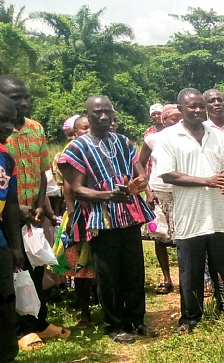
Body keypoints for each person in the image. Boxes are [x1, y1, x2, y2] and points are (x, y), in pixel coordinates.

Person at [58, 95, 156, 343]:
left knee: (134, 270)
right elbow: (77, 189)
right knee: (108, 273)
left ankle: (137, 320)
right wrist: (107, 195)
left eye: (107, 112)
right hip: (101, 219)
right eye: (97, 112)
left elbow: (140, 174)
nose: (103, 116)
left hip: (129, 215)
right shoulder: (77, 148)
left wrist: (139, 183)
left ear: (113, 114)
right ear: (88, 115)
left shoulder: (123, 142)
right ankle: (114, 325)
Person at [157, 89, 224, 333]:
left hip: (217, 213)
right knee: (190, 270)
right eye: (192, 106)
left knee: (221, 267)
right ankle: (190, 319)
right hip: (189, 216)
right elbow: (168, 174)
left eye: (201, 106)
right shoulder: (169, 136)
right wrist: (207, 181)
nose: (198, 110)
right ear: (180, 108)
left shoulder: (215, 134)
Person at [0, 75, 69, 346]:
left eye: (26, 97)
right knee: (13, 271)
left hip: (33, 215)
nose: (24, 102)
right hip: (10, 214)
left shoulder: (35, 129)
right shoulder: (4, 136)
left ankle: (37, 321)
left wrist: (40, 205)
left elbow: (42, 173)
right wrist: (20, 209)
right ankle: (18, 330)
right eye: (17, 98)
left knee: (35, 267)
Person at [52, 115, 95, 328]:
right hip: (79, 213)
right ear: (75, 132)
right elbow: (68, 186)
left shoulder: (101, 146)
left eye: (90, 128)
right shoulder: (71, 152)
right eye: (83, 128)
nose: (87, 131)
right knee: (80, 266)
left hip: (101, 211)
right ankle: (85, 313)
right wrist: (71, 212)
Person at [139, 105, 183, 295]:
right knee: (160, 237)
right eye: (174, 119)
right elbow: (139, 164)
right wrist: (147, 190)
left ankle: (186, 277)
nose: (178, 122)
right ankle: (166, 279)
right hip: (159, 193)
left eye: (180, 119)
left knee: (184, 237)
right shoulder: (152, 139)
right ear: (164, 121)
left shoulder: (186, 139)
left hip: (182, 194)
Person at [0, 93, 24, 363]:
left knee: (5, 297)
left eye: (11, 121)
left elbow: (11, 204)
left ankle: (5, 357)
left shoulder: (6, 157)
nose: (7, 126)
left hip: (2, 240)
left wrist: (16, 246)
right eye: (1, 120)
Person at [203, 89, 224, 259]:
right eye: (211, 101)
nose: (217, 103)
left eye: (220, 100)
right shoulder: (203, 129)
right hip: (215, 187)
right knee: (218, 232)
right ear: (205, 106)